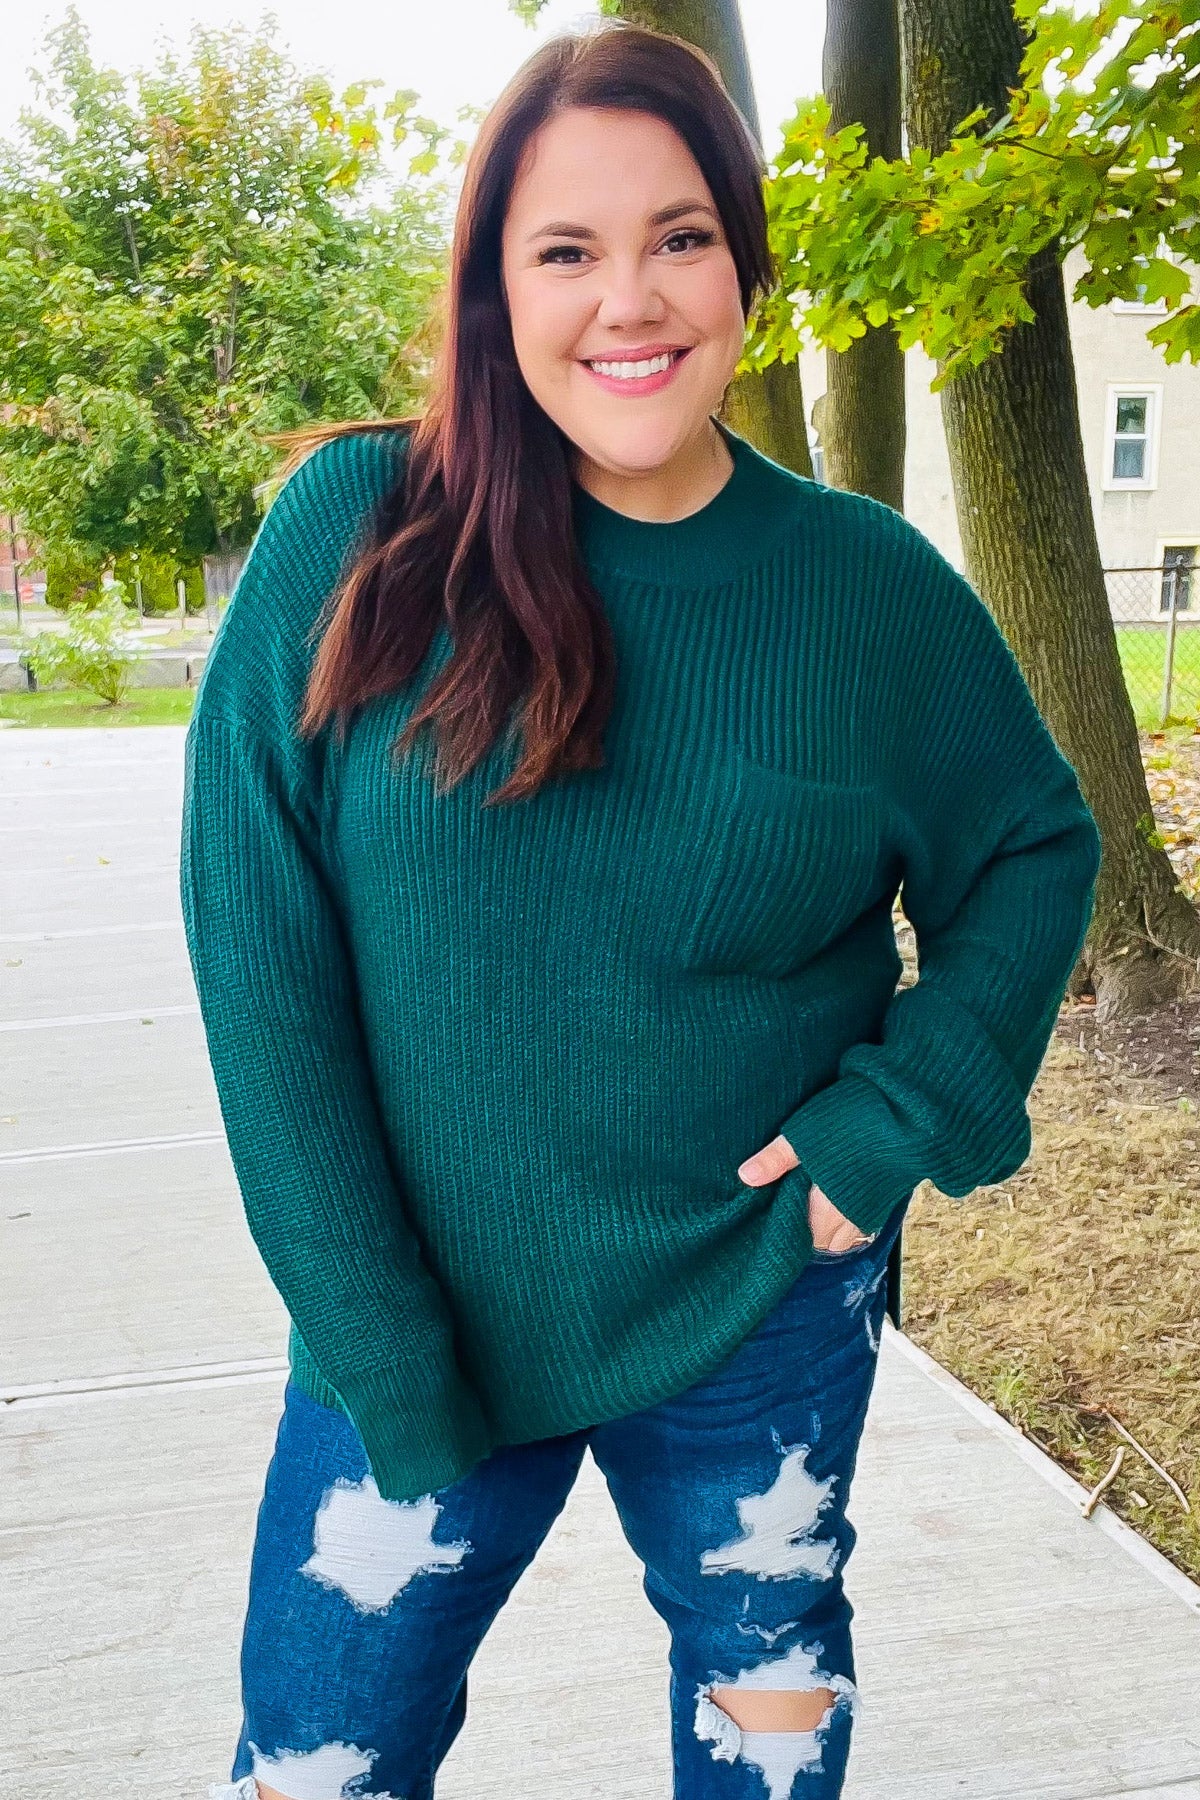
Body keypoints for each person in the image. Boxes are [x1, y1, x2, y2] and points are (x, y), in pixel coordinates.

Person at [183, 21, 1102, 1800]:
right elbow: (261, 959)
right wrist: (374, 1336)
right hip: (416, 1317)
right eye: (566, 251)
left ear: (744, 267)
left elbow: (1034, 848)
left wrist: (889, 1128)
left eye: (680, 237)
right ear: (495, 288)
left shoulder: (863, 592)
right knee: (316, 1761)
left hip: (757, 1303)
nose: (631, 300)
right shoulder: (358, 535)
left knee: (767, 1737)